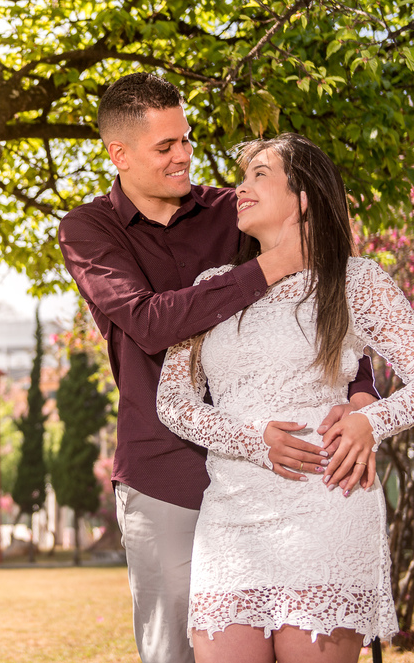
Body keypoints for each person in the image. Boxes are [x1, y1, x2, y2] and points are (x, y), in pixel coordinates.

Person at [58, 73, 379, 663]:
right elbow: (149, 322)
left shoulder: (236, 211)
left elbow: (324, 296)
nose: (184, 155)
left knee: (308, 637)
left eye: (186, 139)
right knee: (176, 653)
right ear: (119, 154)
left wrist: (361, 395)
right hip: (167, 473)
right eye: (166, 147)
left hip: (281, 475)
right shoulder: (88, 230)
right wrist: (270, 266)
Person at [156, 134, 414, 662]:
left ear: (302, 197)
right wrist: (253, 440)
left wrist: (372, 421)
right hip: (230, 519)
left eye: (259, 175)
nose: (239, 188)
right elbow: (174, 403)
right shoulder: (213, 285)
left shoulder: (354, 280)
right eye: (241, 176)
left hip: (326, 506)